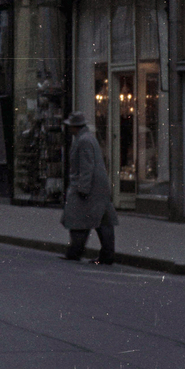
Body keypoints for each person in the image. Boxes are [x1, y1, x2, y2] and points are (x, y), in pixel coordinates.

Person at [61, 111, 117, 265]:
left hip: (90, 187)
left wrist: (83, 188)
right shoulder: (88, 138)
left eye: (70, 126)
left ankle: (75, 251)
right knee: (103, 221)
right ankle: (107, 255)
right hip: (99, 187)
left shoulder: (83, 141)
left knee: (78, 218)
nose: (69, 129)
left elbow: (87, 166)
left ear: (75, 127)